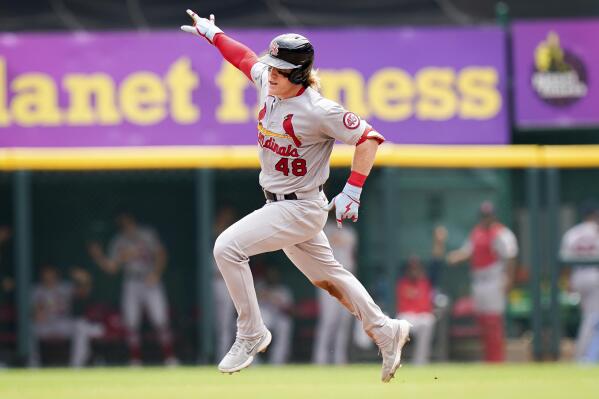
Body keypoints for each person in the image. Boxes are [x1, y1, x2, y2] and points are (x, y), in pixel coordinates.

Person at [181, 10, 411, 383]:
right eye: (271, 66)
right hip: (279, 203)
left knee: (227, 248)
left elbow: (369, 137)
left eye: (279, 70)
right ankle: (385, 330)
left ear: (299, 74)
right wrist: (214, 34)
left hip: (300, 205)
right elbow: (244, 59)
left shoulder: (317, 110)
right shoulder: (268, 85)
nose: (270, 73)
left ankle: (252, 332)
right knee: (330, 276)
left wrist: (353, 188)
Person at [88, 212, 178, 366]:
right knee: (131, 322)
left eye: (126, 220)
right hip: (131, 281)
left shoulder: (146, 233)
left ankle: (169, 357)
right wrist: (98, 257)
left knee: (160, 319)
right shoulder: (118, 240)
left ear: (132, 219)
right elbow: (112, 268)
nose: (124, 223)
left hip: (150, 278)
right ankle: (135, 359)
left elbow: (161, 253)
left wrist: (156, 273)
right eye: (121, 221)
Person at [444, 201, 518, 362]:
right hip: (478, 280)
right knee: (482, 321)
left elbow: (511, 257)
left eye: (489, 215)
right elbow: (468, 251)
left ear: (494, 216)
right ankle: (489, 359)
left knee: (493, 322)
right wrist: (454, 257)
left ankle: (496, 360)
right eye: (484, 216)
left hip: (494, 279)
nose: (486, 219)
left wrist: (509, 279)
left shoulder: (502, 233)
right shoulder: (477, 233)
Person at [29, 266, 103, 367]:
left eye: (51, 276)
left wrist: (84, 280)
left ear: (56, 276)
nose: (49, 278)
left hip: (63, 323)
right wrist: (37, 314)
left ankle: (76, 365)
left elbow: (84, 293)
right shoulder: (36, 290)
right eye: (46, 276)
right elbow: (34, 313)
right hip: (45, 324)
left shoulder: (65, 287)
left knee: (80, 326)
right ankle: (33, 365)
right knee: (29, 329)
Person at [559, 200, 599, 363]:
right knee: (592, 319)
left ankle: (586, 355)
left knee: (589, 317)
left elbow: (564, 260)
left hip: (578, 277)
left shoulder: (572, 233)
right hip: (595, 276)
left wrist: (568, 281)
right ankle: (584, 357)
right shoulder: (596, 230)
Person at [313, 219, 357, 365]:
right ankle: (320, 359)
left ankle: (339, 359)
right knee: (329, 321)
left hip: (345, 281)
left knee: (343, 321)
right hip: (328, 280)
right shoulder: (325, 227)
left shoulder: (350, 232)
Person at [396, 255, 435, 365]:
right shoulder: (402, 283)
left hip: (422, 316)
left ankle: (420, 362)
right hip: (407, 316)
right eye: (411, 269)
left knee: (428, 322)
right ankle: (396, 360)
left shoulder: (426, 282)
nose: (414, 271)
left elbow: (437, 264)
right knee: (400, 324)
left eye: (416, 268)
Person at [212, 207, 237, 361]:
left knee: (226, 322)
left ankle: (223, 354)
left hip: (227, 280)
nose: (227, 217)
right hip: (213, 281)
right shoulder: (210, 232)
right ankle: (219, 354)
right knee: (217, 322)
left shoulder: (233, 231)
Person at [256, 267, 294, 364]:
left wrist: (278, 301)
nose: (272, 277)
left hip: (277, 317)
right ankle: (254, 360)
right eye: (270, 274)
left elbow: (290, 309)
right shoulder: (260, 286)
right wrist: (266, 295)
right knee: (262, 321)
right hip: (262, 317)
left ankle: (278, 360)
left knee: (285, 324)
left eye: (274, 275)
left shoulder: (283, 290)